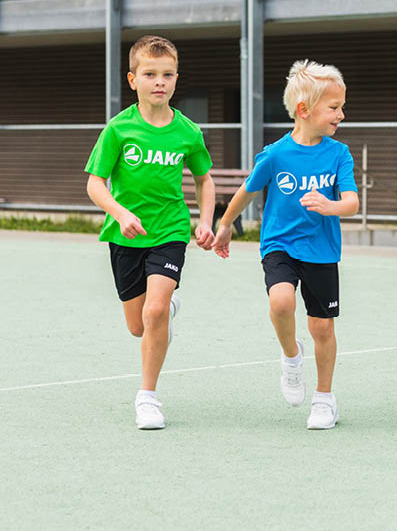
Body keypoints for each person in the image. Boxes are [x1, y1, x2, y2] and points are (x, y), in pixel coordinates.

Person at [213, 60, 358, 430]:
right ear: (304, 110)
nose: (341, 114)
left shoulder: (338, 154)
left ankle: (324, 398)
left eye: (342, 106)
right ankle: (291, 357)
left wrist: (330, 205)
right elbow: (247, 191)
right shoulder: (275, 154)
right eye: (334, 107)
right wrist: (226, 224)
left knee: (322, 328)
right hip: (279, 243)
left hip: (322, 250)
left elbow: (352, 203)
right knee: (280, 301)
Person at [85, 35, 215, 430]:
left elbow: (204, 179)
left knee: (155, 309)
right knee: (139, 325)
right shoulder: (118, 129)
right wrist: (120, 213)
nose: (160, 82)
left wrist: (205, 221)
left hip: (170, 230)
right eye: (150, 74)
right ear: (132, 79)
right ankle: (163, 313)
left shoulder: (188, 132)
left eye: (167, 74)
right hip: (125, 235)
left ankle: (148, 398)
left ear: (176, 78)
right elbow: (95, 184)